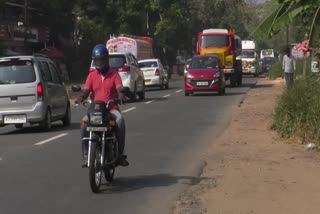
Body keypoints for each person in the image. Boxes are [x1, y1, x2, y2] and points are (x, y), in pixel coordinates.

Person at [76, 44, 129, 167]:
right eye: (96, 61)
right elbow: (86, 90)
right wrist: (81, 97)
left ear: (106, 60)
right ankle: (85, 156)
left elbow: (119, 87)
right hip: (95, 110)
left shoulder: (114, 74)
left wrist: (121, 95)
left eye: (101, 61)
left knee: (120, 121)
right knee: (83, 124)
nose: (99, 63)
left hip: (111, 109)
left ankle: (120, 155)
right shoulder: (91, 75)